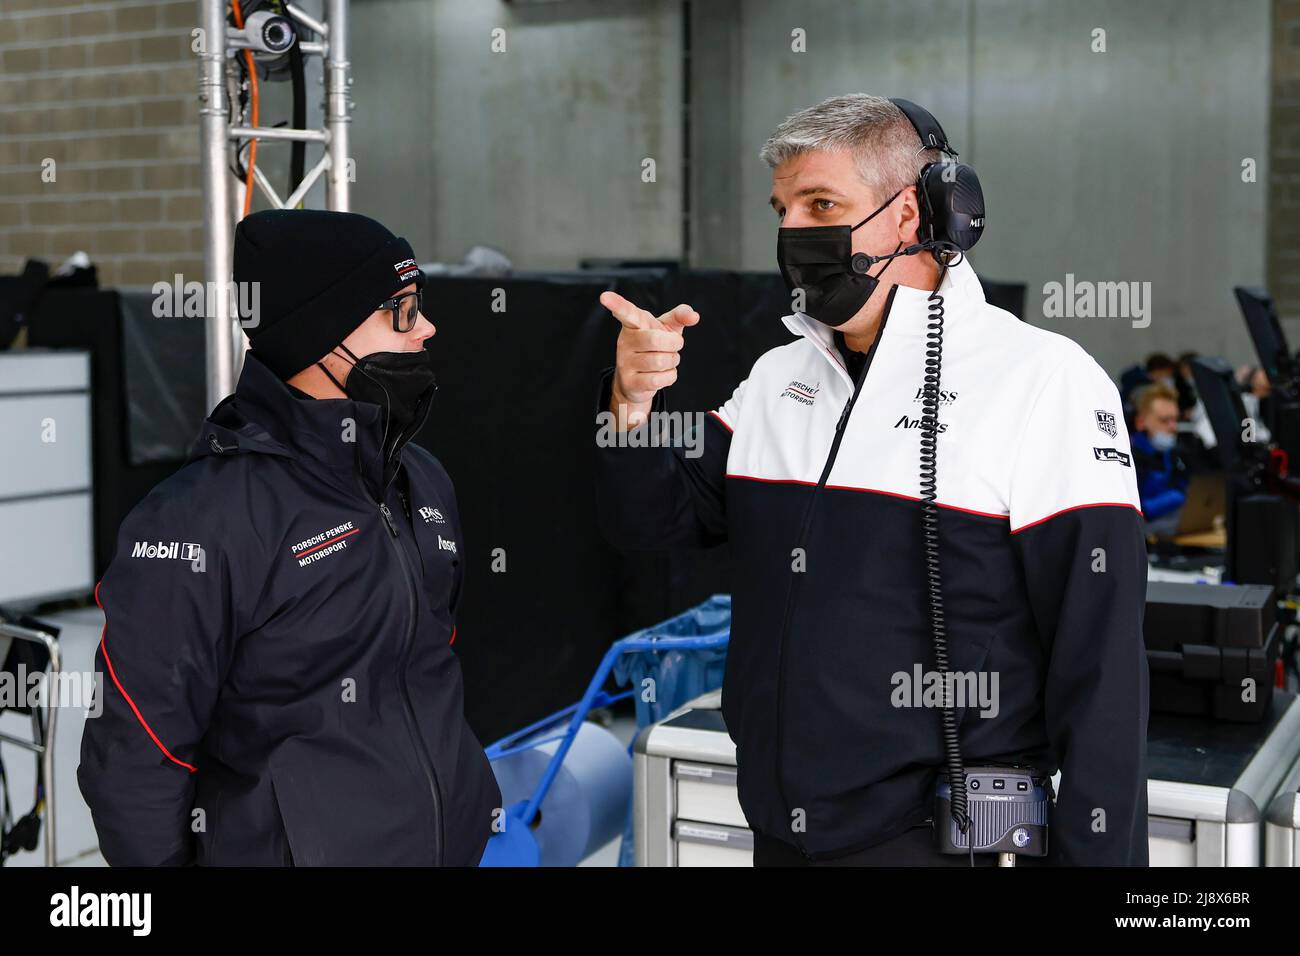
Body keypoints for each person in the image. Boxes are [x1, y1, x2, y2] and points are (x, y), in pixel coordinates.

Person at [594, 94, 1148, 866]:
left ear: (918, 214)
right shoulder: (777, 378)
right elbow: (652, 528)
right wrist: (631, 404)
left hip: (943, 841)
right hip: (784, 833)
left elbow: (1102, 663)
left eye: (821, 203)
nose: (792, 231)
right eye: (782, 208)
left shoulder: (1044, 380)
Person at [79, 209, 500, 866]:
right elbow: (135, 764)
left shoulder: (422, 480)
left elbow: (431, 666)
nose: (427, 329)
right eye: (402, 311)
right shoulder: (196, 523)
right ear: (322, 335)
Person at [1130, 382, 1189, 536]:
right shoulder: (1128, 458)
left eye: (1175, 419)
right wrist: (1175, 499)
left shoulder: (1175, 454)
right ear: (1140, 422)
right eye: (1164, 420)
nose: (1173, 427)